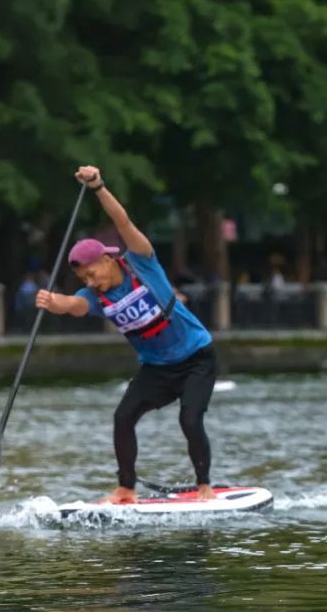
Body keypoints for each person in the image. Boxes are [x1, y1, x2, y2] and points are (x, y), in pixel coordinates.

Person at [35, 165, 217, 504]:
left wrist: (98, 186)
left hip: (197, 358)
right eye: (83, 279)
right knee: (122, 418)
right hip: (157, 369)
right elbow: (73, 305)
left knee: (190, 418)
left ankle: (204, 485)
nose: (90, 282)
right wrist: (52, 301)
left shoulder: (141, 262)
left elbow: (123, 224)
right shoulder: (95, 296)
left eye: (92, 274)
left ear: (107, 260)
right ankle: (125, 489)